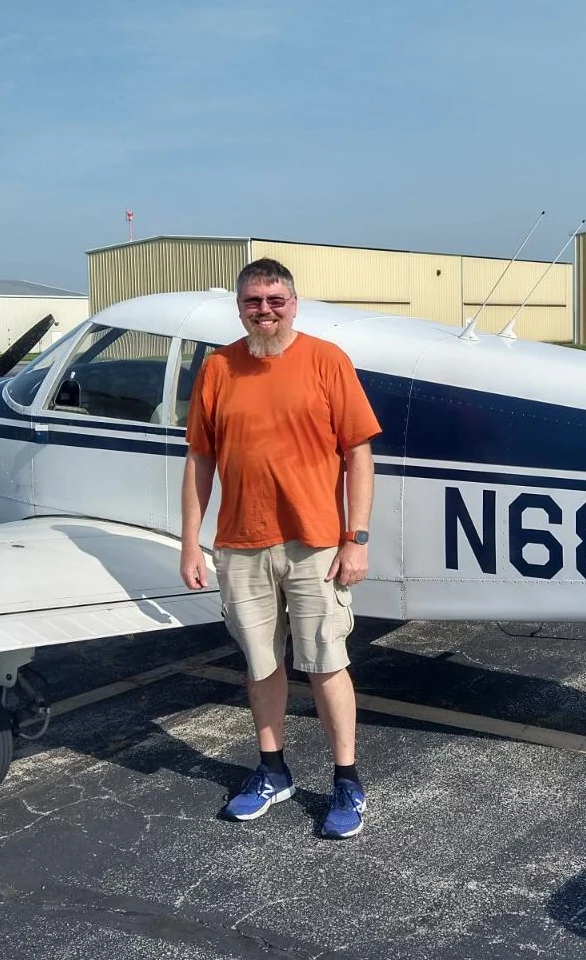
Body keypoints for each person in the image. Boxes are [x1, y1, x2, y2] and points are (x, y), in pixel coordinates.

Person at [179, 258, 381, 839]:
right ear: (239, 307)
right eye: (252, 301)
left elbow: (358, 454)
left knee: (326, 663)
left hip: (315, 544)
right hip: (241, 544)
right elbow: (200, 460)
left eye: (274, 300)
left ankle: (346, 779)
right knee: (261, 664)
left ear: (294, 304)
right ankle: (272, 771)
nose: (263, 310)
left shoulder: (326, 360)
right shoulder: (218, 367)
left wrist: (356, 538)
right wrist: (190, 542)